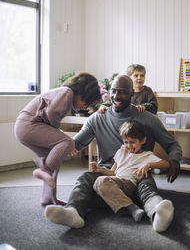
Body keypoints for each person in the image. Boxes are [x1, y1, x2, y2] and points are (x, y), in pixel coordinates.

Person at [45, 75, 181, 232]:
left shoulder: (148, 119)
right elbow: (76, 143)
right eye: (114, 91)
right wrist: (54, 147)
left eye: (122, 92)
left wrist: (174, 160)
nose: (116, 96)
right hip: (107, 174)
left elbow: (171, 144)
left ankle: (158, 214)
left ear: (132, 94)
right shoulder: (97, 118)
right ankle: (73, 213)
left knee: (147, 187)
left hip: (137, 173)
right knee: (84, 179)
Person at [14, 72, 101, 206]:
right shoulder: (67, 93)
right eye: (86, 102)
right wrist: (62, 137)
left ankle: (48, 198)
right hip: (28, 125)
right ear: (82, 92)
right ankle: (44, 171)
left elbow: (49, 118)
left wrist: (58, 134)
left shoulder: (64, 94)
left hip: (25, 127)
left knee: (54, 158)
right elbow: (51, 114)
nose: (85, 107)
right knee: (67, 142)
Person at [90, 121, 172, 225]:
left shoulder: (146, 156)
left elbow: (167, 164)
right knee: (92, 194)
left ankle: (132, 208)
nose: (129, 146)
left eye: (132, 142)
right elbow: (112, 173)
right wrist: (100, 169)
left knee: (100, 182)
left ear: (143, 140)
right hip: (116, 183)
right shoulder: (121, 152)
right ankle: (128, 205)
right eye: (126, 142)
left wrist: (149, 165)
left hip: (128, 184)